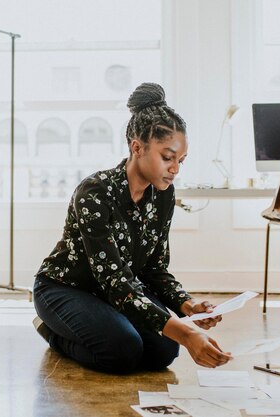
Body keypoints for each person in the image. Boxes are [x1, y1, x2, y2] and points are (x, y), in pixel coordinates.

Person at [33, 82, 232, 374]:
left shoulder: (163, 194)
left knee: (164, 350)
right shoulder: (94, 193)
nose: (175, 168)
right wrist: (187, 333)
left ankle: (110, 325)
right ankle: (52, 332)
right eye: (167, 157)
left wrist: (185, 304)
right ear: (136, 147)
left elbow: (154, 267)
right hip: (66, 289)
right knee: (122, 352)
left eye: (181, 160)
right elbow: (115, 281)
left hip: (115, 292)